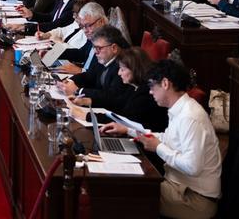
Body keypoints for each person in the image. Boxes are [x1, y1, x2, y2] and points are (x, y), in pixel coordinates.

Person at [101, 59, 222, 218]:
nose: (150, 92)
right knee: (122, 185)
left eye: (152, 86)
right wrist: (129, 131)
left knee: (124, 193)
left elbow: (192, 167)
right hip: (178, 186)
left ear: (165, 83)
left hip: (194, 199)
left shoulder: (190, 116)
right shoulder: (179, 108)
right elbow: (168, 138)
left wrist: (158, 147)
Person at [88, 48, 169, 132]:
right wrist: (88, 102)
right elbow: (118, 106)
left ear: (135, 70)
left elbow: (124, 120)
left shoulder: (146, 93)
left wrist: (86, 116)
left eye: (122, 69)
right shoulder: (133, 86)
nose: (119, 73)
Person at [63, 25, 129, 103]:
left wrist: (78, 91)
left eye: (99, 48)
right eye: (94, 47)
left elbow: (111, 96)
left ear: (114, 48)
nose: (95, 52)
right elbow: (88, 76)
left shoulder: (124, 66)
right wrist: (69, 81)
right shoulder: (105, 59)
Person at [40, 2, 106, 69]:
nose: (85, 30)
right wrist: (52, 53)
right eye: (83, 26)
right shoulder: (95, 36)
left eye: (88, 25)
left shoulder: (108, 42)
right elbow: (81, 54)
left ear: (101, 21)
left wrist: (81, 71)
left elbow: (98, 73)